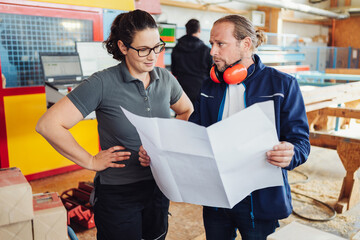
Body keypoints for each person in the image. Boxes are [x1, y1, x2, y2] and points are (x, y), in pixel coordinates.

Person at [36, 10, 193, 240]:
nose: (152, 56)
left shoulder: (165, 79)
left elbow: (187, 110)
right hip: (119, 193)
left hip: (159, 186)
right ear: (123, 47)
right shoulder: (102, 82)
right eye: (143, 50)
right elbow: (48, 124)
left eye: (157, 47)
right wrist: (89, 160)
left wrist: (164, 145)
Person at [188, 15, 311, 239]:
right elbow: (194, 132)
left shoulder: (283, 85)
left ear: (245, 44)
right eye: (211, 44)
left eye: (220, 44)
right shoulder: (209, 87)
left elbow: (301, 143)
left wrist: (290, 153)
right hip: (217, 196)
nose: (212, 52)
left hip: (259, 199)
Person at [171, 19, 213, 105]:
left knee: (181, 115)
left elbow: (174, 71)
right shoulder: (206, 50)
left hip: (181, 91)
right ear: (199, 30)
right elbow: (211, 73)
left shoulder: (177, 48)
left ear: (186, 30)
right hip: (201, 91)